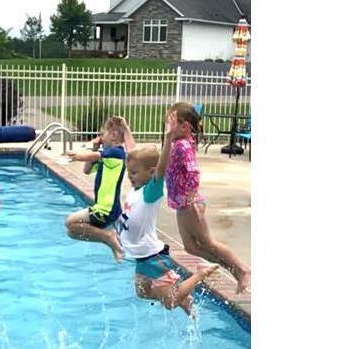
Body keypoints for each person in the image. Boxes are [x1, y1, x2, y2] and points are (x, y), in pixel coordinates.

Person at [104, 144, 220, 314]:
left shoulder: (150, 193)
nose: (129, 176)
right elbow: (135, 153)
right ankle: (183, 298)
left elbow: (160, 170)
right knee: (142, 292)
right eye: (129, 172)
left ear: (151, 172)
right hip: (141, 257)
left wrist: (169, 138)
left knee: (170, 302)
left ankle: (200, 273)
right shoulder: (136, 190)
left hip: (153, 257)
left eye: (134, 173)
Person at [157, 102, 251, 294]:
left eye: (171, 122)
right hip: (182, 204)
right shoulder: (179, 142)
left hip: (189, 204)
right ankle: (230, 267)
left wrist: (191, 196)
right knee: (190, 247)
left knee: (208, 243)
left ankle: (241, 269)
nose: (167, 126)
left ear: (184, 126)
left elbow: (193, 171)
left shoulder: (182, 145)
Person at [62, 116, 128, 262]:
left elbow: (89, 157)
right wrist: (94, 147)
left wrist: (76, 155)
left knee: (69, 222)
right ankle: (110, 241)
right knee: (72, 232)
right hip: (103, 208)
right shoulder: (106, 158)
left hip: (106, 209)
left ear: (113, 135)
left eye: (102, 134)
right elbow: (86, 170)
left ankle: (108, 236)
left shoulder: (117, 153)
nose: (100, 138)